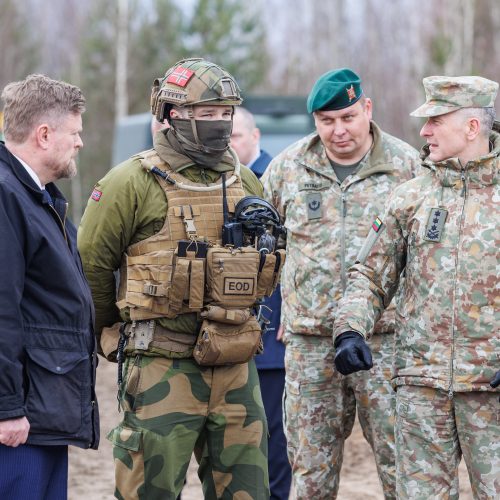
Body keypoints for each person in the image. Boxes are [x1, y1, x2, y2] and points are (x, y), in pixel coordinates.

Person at [78, 58, 273, 499]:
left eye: (226, 114)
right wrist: (115, 331)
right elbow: (91, 267)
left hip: (236, 366)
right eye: (208, 114)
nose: (220, 125)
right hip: (160, 365)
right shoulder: (130, 182)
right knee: (150, 491)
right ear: (173, 115)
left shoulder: (245, 182)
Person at [333, 75, 500, 498]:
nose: (423, 131)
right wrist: (350, 329)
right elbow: (369, 275)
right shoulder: (409, 198)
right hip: (421, 388)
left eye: (435, 121)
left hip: (492, 389)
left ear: (472, 128)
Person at [261, 68, 420, 499]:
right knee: (310, 470)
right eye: (327, 121)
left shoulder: (408, 167)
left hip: (386, 342)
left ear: (367, 108)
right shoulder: (287, 169)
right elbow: (265, 248)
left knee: (402, 463)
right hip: (310, 344)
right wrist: (279, 308)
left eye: (348, 117)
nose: (339, 130)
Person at [0, 74, 99, 499]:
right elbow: (1, 308)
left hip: (44, 408)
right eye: (74, 133)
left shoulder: (38, 197)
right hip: (20, 420)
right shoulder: (6, 196)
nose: (79, 143)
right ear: (44, 134)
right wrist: (7, 408)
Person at [230, 107, 292, 500]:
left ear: (255, 136)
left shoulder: (275, 178)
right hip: (232, 336)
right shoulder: (222, 183)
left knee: (272, 436)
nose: (230, 144)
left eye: (236, 135)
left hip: (271, 337)